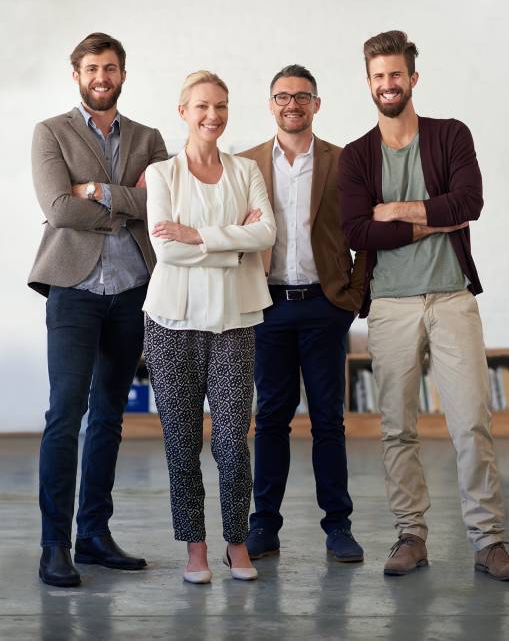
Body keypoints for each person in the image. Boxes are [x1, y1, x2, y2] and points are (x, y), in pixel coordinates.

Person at [340, 30, 509, 580]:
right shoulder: (356, 156)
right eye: (379, 76)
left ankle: (488, 541)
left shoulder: (450, 136)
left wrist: (396, 210)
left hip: (452, 296)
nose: (388, 84)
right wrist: (429, 222)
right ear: (368, 83)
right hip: (390, 305)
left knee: (472, 423)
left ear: (413, 79)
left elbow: (470, 203)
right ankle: (410, 536)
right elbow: (357, 230)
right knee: (397, 428)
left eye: (396, 75)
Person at [29, 32, 168, 587]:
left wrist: (98, 191)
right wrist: (123, 200)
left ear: (123, 74)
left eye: (110, 67)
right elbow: (58, 208)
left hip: (133, 289)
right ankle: (52, 546)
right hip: (73, 288)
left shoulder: (148, 136)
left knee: (109, 415)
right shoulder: (51, 132)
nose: (101, 76)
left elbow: (162, 201)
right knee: (65, 413)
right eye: (92, 68)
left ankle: (93, 536)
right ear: (77, 75)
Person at [143, 71, 276, 584]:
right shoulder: (162, 174)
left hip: (234, 322)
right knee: (181, 445)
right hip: (170, 323)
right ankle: (195, 549)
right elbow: (166, 249)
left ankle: (235, 544)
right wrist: (234, 245)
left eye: (221, 106)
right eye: (202, 106)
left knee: (231, 442)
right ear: (183, 111)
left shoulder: (245, 170)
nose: (213, 116)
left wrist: (199, 235)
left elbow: (267, 231)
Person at [240, 65, 366, 562]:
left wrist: (351, 299)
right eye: (282, 96)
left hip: (324, 307)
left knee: (328, 422)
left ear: (318, 103)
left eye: (302, 96)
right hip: (267, 308)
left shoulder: (345, 161)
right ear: (271, 104)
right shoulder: (245, 163)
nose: (292, 104)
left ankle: (338, 526)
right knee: (270, 419)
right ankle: (264, 526)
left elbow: (365, 233)